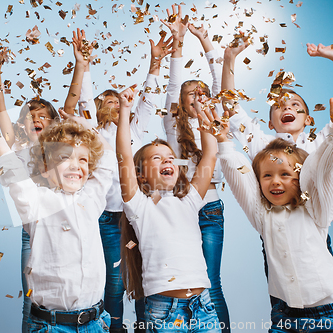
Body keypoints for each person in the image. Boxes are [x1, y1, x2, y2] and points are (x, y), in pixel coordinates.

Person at [66, 26, 174, 333]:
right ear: (100, 108)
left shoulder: (135, 131)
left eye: (119, 101)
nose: (115, 104)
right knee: (113, 281)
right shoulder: (93, 136)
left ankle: (146, 326)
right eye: (109, 101)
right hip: (108, 218)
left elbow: (149, 101)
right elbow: (85, 101)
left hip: (139, 214)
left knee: (145, 274)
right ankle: (113, 328)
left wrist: (154, 65)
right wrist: (83, 66)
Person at [200, 104, 333, 333]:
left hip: (328, 312)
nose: (275, 182)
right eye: (267, 175)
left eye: (285, 174)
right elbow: (237, 176)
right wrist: (223, 141)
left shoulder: (315, 210)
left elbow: (323, 172)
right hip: (284, 317)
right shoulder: (263, 215)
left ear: (301, 179)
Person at [221, 39, 333, 302]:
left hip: (313, 230)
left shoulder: (318, 144)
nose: (288, 107)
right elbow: (232, 110)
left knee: (320, 285)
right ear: (271, 121)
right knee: (284, 293)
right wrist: (229, 59)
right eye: (280, 105)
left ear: (308, 119)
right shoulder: (263, 146)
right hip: (274, 232)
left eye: (296, 106)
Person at [0, 110, 115, 332]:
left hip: (96, 322)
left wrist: (81, 124)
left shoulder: (91, 199)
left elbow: (108, 160)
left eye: (82, 159)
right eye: (64, 157)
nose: (76, 165)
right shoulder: (37, 202)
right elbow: (15, 176)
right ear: (45, 168)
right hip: (53, 326)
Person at [117, 85, 221, 333]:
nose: (167, 160)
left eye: (170, 157)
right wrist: (124, 111)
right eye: (157, 158)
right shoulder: (139, 207)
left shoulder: (190, 200)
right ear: (140, 176)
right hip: (163, 311)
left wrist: (204, 121)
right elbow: (123, 155)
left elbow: (210, 155)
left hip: (204, 306)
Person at [160, 4, 230, 331]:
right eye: (191, 94)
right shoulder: (173, 127)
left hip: (211, 208)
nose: (197, 97)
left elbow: (222, 85)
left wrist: (206, 42)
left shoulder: (215, 123)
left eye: (201, 93)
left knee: (212, 284)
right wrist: (179, 43)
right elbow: (174, 85)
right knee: (185, 283)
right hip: (180, 211)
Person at [0, 48, 60, 332]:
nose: (36, 119)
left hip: (63, 227)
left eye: (43, 116)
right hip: (31, 233)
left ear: (53, 123)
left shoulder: (60, 150)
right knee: (31, 300)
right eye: (31, 116)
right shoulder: (17, 146)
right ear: (22, 125)